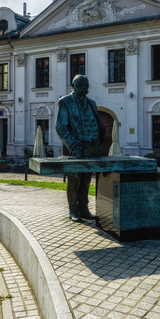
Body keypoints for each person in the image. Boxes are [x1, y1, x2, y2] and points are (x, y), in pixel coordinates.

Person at [56, 75, 105, 222]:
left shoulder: (92, 103)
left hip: (91, 148)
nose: (84, 88)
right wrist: (74, 145)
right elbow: (61, 127)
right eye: (81, 85)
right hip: (75, 149)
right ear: (74, 86)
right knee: (74, 180)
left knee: (86, 180)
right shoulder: (65, 102)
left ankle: (84, 208)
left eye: (86, 85)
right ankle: (73, 210)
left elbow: (96, 123)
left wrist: (98, 143)